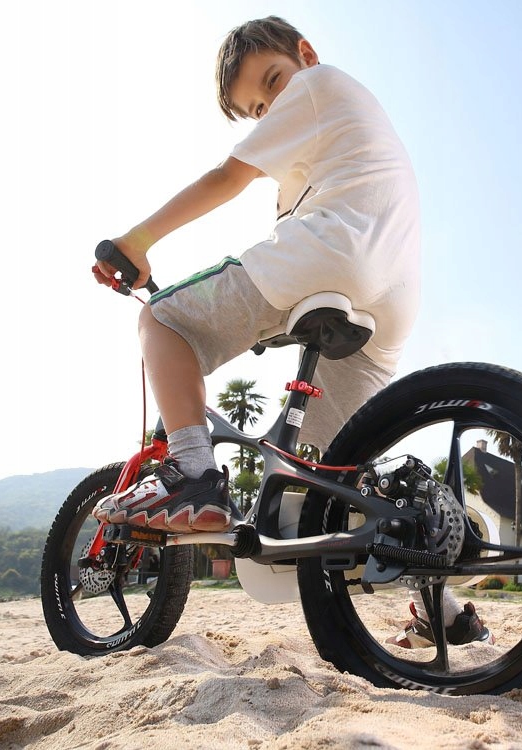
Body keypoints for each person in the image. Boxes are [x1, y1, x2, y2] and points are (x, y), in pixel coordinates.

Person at [91, 16, 489, 646]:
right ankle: (445, 612)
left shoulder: (318, 84)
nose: (271, 108)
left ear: (306, 54)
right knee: (337, 480)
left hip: (334, 253)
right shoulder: (332, 146)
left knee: (161, 319)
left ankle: (193, 474)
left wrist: (136, 242)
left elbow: (226, 178)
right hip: (394, 294)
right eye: (257, 109)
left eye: (273, 82)